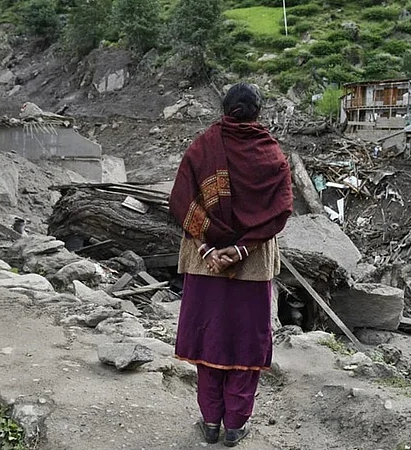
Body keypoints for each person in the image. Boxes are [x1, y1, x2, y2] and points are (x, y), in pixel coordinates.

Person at [169, 83, 293, 447]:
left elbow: (180, 200)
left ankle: (210, 422)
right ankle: (236, 426)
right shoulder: (271, 156)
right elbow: (280, 210)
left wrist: (209, 250)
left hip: (204, 260)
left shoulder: (203, 147)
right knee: (245, 343)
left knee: (209, 339)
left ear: (224, 109)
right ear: (257, 111)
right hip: (251, 267)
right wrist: (240, 250)